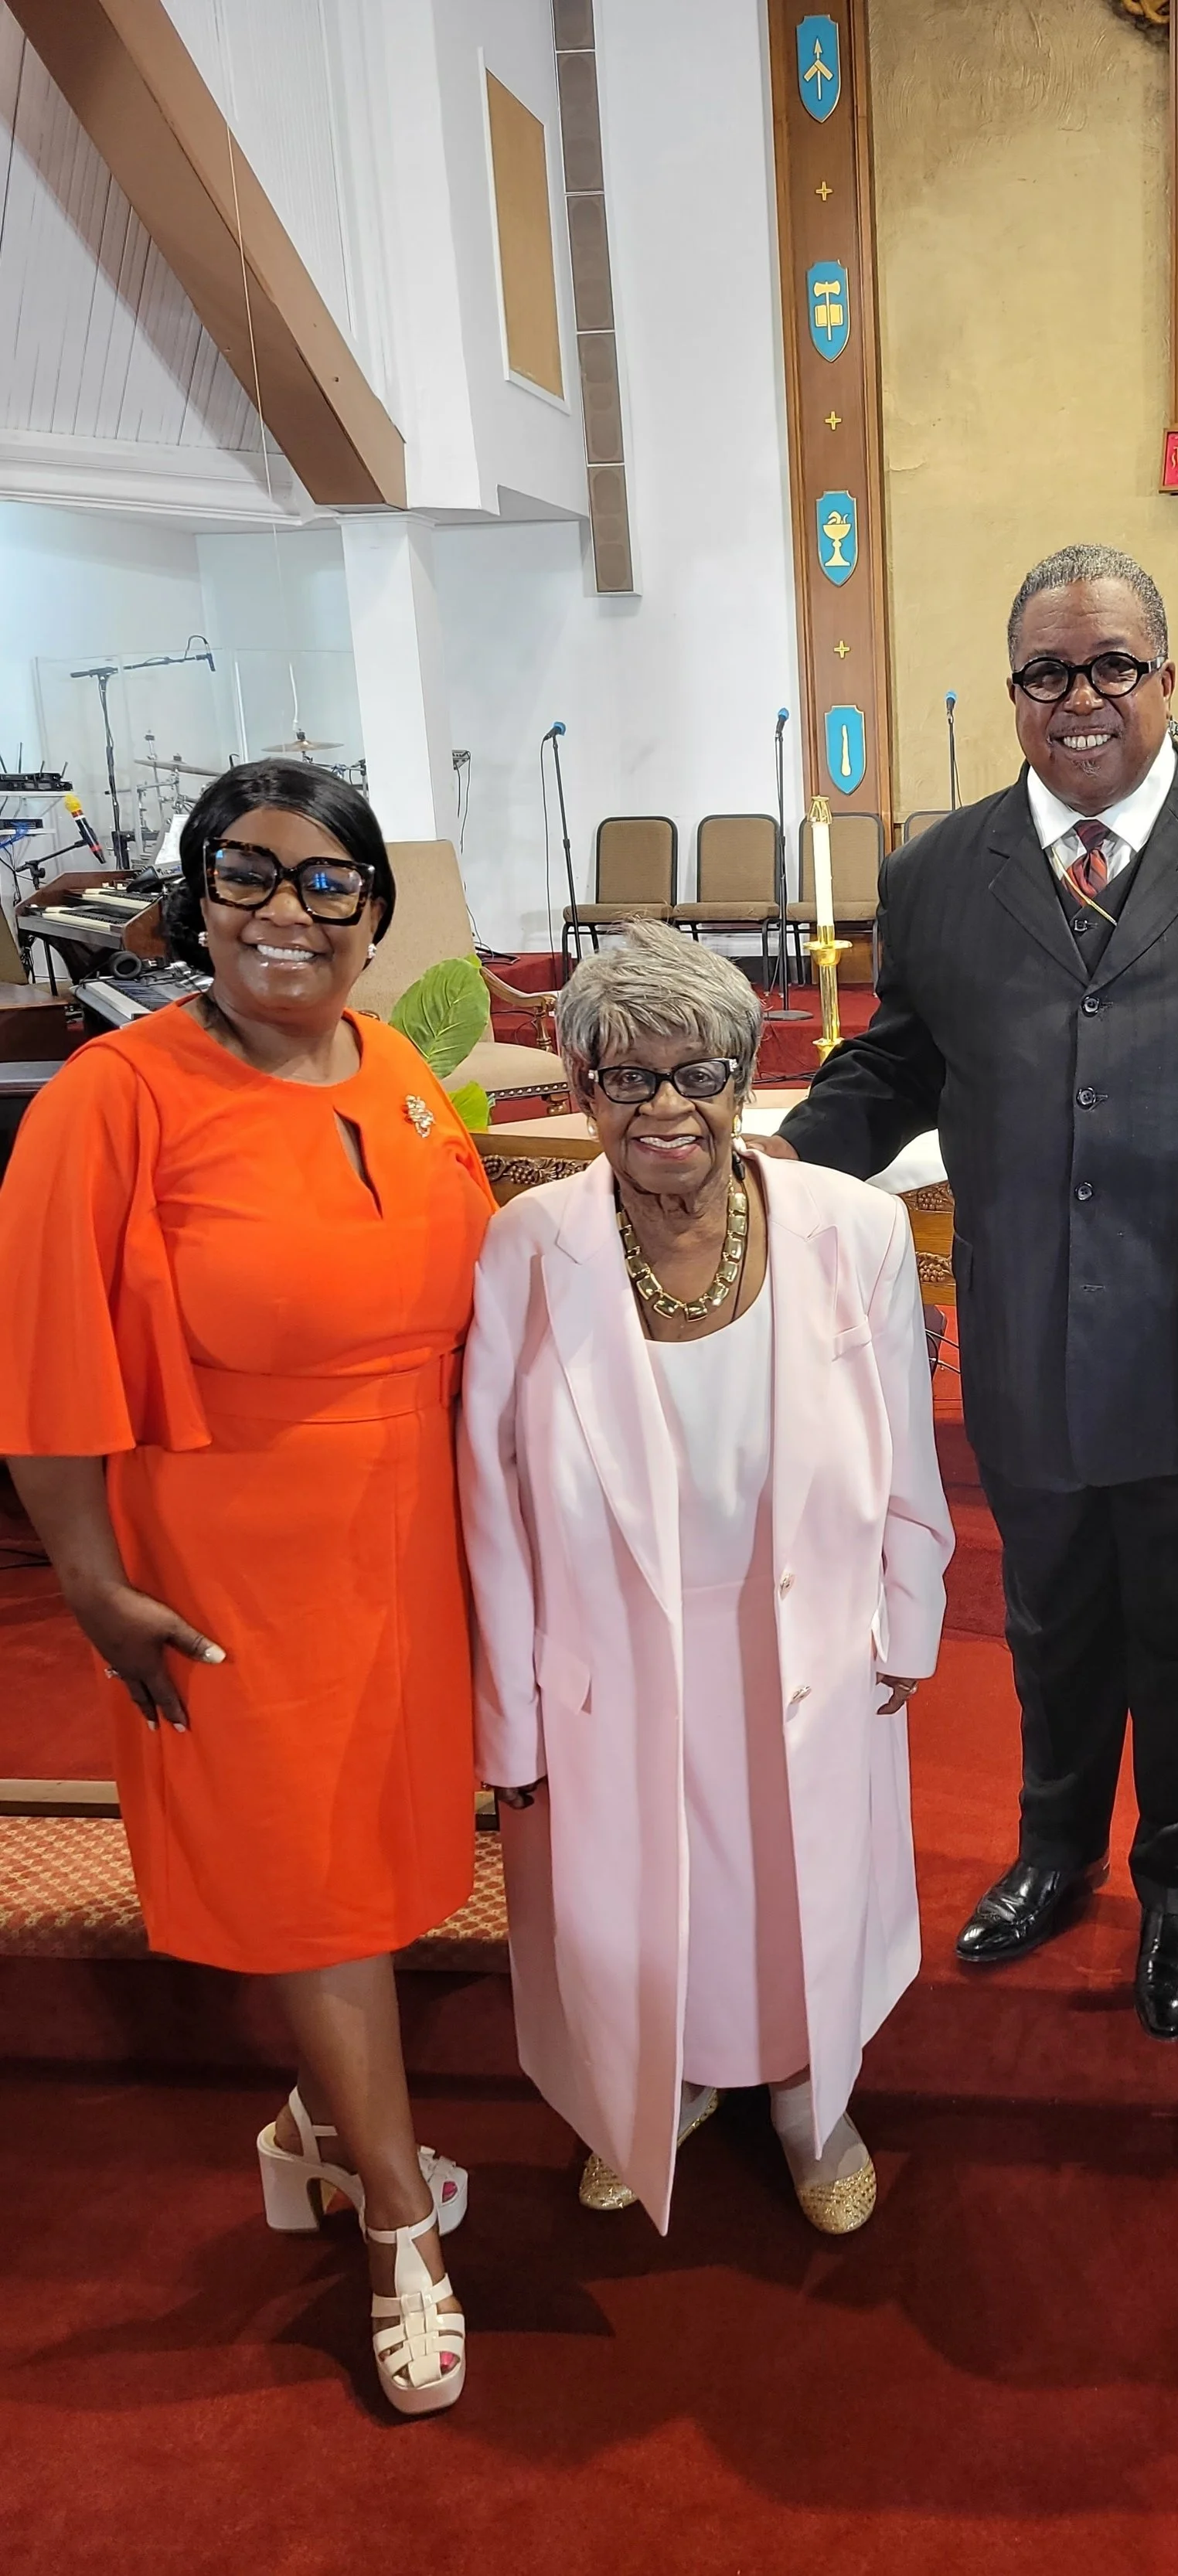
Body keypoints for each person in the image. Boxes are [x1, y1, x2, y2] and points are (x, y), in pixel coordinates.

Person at [761, 543, 1178, 2040]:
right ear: (1015, 693)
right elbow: (900, 1064)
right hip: (1025, 1341)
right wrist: (755, 1186)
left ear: (1166, 677)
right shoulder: (938, 870)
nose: (1079, 697)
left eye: (1111, 665)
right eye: (1047, 671)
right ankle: (1050, 1853)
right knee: (1047, 1624)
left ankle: (1176, 1885)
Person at [0, 761, 493, 2412]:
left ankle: (308, 2133)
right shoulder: (117, 1094)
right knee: (312, 1879)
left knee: (375, 1848)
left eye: (324, 880)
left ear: (374, 908)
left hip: (400, 1541)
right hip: (225, 1551)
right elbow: (45, 1353)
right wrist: (87, 1575)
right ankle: (397, 2226)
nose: (286, 911)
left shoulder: (400, 1065)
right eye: (245, 875)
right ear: (194, 895)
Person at [459, 923, 952, 2236]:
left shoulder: (853, 1230)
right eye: (627, 1078)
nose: (667, 1108)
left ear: (751, 1078)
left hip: (802, 1635)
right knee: (634, 1898)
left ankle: (810, 2095)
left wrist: (908, 1621)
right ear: (580, 1092)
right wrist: (508, 1716)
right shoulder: (529, 1246)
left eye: (702, 1074)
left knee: (801, 1884)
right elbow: (491, 1499)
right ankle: (651, 2087)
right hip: (609, 1653)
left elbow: (906, 1443)